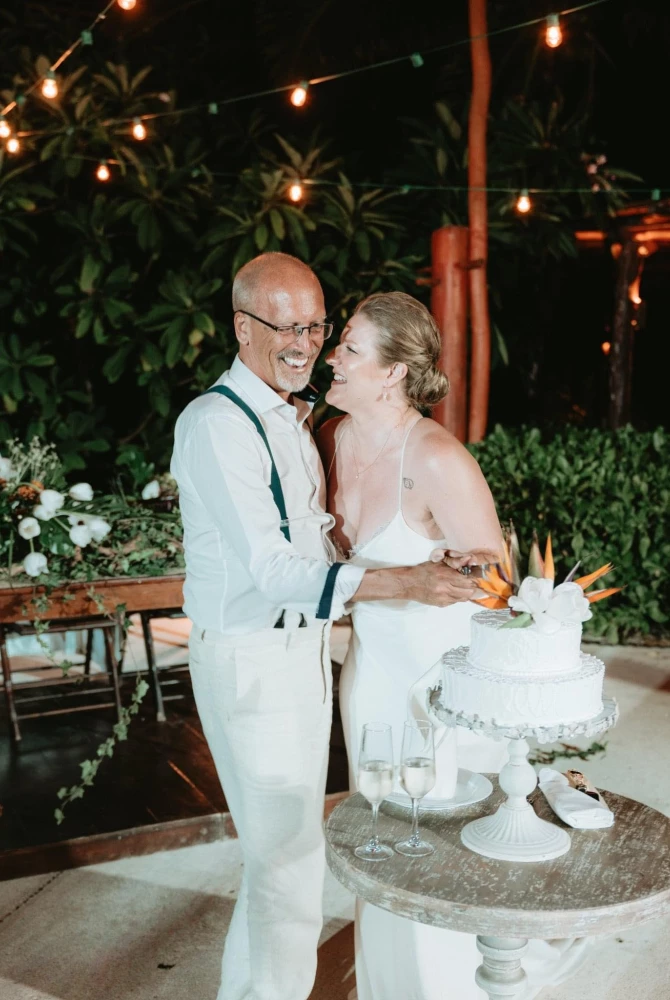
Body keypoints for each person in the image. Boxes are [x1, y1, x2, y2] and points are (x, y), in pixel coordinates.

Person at [170, 254, 482, 1000]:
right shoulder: (219, 425)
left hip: (305, 658)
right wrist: (404, 580)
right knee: (287, 863)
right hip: (254, 659)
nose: (309, 343)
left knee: (294, 853)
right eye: (288, 326)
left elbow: (315, 536)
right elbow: (275, 573)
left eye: (318, 325)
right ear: (243, 327)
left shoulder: (296, 417)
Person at [319, 290, 585, 1000]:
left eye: (348, 346)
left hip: (439, 683)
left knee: (441, 846)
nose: (331, 357)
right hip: (371, 670)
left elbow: (496, 580)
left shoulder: (437, 456)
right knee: (380, 839)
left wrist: (450, 573)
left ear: (393, 372)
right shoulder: (328, 439)